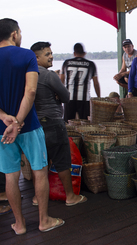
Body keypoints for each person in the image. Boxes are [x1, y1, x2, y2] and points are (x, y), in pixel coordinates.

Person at [0, 18, 64, 234]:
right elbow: (30, 92)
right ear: (14, 34)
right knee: (39, 171)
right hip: (29, 125)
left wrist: (5, 118)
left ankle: (19, 224)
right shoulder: (26, 55)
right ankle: (43, 220)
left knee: (11, 175)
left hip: (2, 129)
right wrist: (18, 121)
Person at [30, 42, 87, 207]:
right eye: (47, 54)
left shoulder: (27, 75)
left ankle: (36, 197)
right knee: (62, 161)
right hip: (53, 123)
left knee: (40, 163)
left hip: (35, 124)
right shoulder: (49, 75)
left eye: (51, 53)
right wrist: (56, 92)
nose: (51, 57)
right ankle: (70, 196)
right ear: (36, 57)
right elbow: (66, 97)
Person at [60, 43, 101, 122]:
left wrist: (60, 95)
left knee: (68, 122)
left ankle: (69, 134)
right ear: (84, 53)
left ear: (74, 53)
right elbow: (96, 83)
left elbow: (61, 80)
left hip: (69, 97)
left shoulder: (66, 63)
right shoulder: (91, 64)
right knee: (84, 122)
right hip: (84, 98)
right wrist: (98, 97)